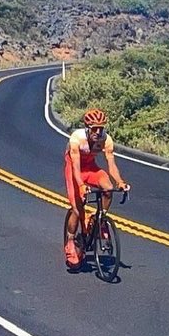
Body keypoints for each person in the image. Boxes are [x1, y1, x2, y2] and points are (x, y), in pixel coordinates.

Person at [63, 108, 129, 268]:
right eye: (94, 128)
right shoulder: (77, 138)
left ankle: (100, 220)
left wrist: (120, 181)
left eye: (101, 128)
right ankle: (71, 242)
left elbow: (111, 165)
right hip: (75, 170)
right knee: (78, 210)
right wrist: (81, 186)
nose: (98, 132)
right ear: (87, 128)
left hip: (91, 168)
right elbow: (76, 167)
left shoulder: (106, 140)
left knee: (108, 187)